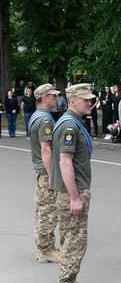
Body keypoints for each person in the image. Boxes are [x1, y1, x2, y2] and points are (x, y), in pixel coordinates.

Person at [51, 84, 97, 283]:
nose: (90, 102)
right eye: (85, 99)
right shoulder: (70, 126)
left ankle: (71, 282)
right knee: (73, 242)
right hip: (73, 192)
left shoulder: (74, 122)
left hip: (75, 190)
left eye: (90, 99)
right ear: (72, 101)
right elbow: (64, 162)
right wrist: (75, 197)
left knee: (74, 240)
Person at [29, 84, 61, 263]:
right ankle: (46, 250)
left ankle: (43, 246)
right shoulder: (45, 120)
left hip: (40, 169)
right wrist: (51, 176)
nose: (56, 98)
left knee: (43, 210)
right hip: (46, 171)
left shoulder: (38, 116)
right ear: (44, 98)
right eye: (53, 96)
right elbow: (46, 149)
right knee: (48, 211)